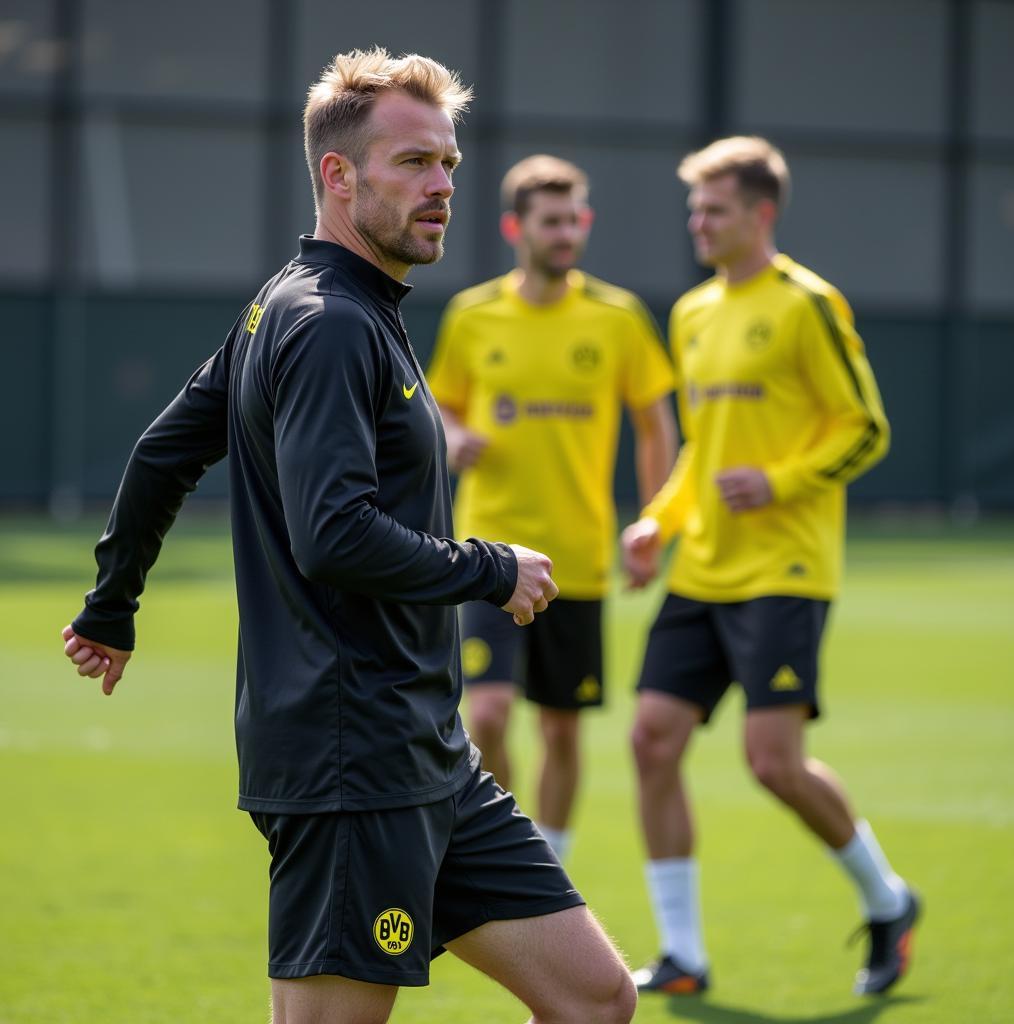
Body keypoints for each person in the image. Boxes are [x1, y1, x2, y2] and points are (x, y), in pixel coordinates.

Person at [61, 49, 636, 1024]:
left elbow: (164, 454)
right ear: (339, 175)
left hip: (424, 749)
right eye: (413, 162)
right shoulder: (324, 319)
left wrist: (112, 605)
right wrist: (489, 568)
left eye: (448, 162)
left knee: (595, 998)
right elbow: (332, 534)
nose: (443, 185)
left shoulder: (331, 306)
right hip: (347, 758)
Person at [621, 136, 919, 998]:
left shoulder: (807, 304)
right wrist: (657, 522)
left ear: (761, 214)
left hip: (786, 567)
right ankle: (684, 956)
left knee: (772, 762)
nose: (698, 224)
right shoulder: (692, 313)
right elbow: (701, 455)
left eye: (713, 209)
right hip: (702, 569)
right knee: (650, 740)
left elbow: (865, 427)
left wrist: (780, 480)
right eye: (694, 210)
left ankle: (888, 898)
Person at [427, 154, 677, 863]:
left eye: (575, 219)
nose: (567, 234)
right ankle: (503, 850)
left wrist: (653, 517)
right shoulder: (473, 316)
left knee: (564, 730)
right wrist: (454, 435)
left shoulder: (617, 317)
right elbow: (439, 409)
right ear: (516, 227)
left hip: (577, 555)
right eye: (551, 221)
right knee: (489, 712)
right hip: (488, 556)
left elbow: (656, 422)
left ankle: (549, 866)